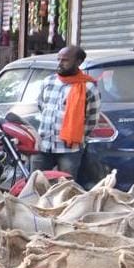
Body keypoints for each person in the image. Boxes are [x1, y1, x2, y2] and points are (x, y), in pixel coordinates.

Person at [33, 44, 101, 176]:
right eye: (58, 59)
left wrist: (76, 136)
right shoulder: (48, 82)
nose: (60, 63)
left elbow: (92, 120)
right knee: (36, 182)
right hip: (44, 145)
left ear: (78, 62)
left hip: (70, 149)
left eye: (65, 60)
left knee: (66, 185)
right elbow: (41, 107)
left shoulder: (88, 87)